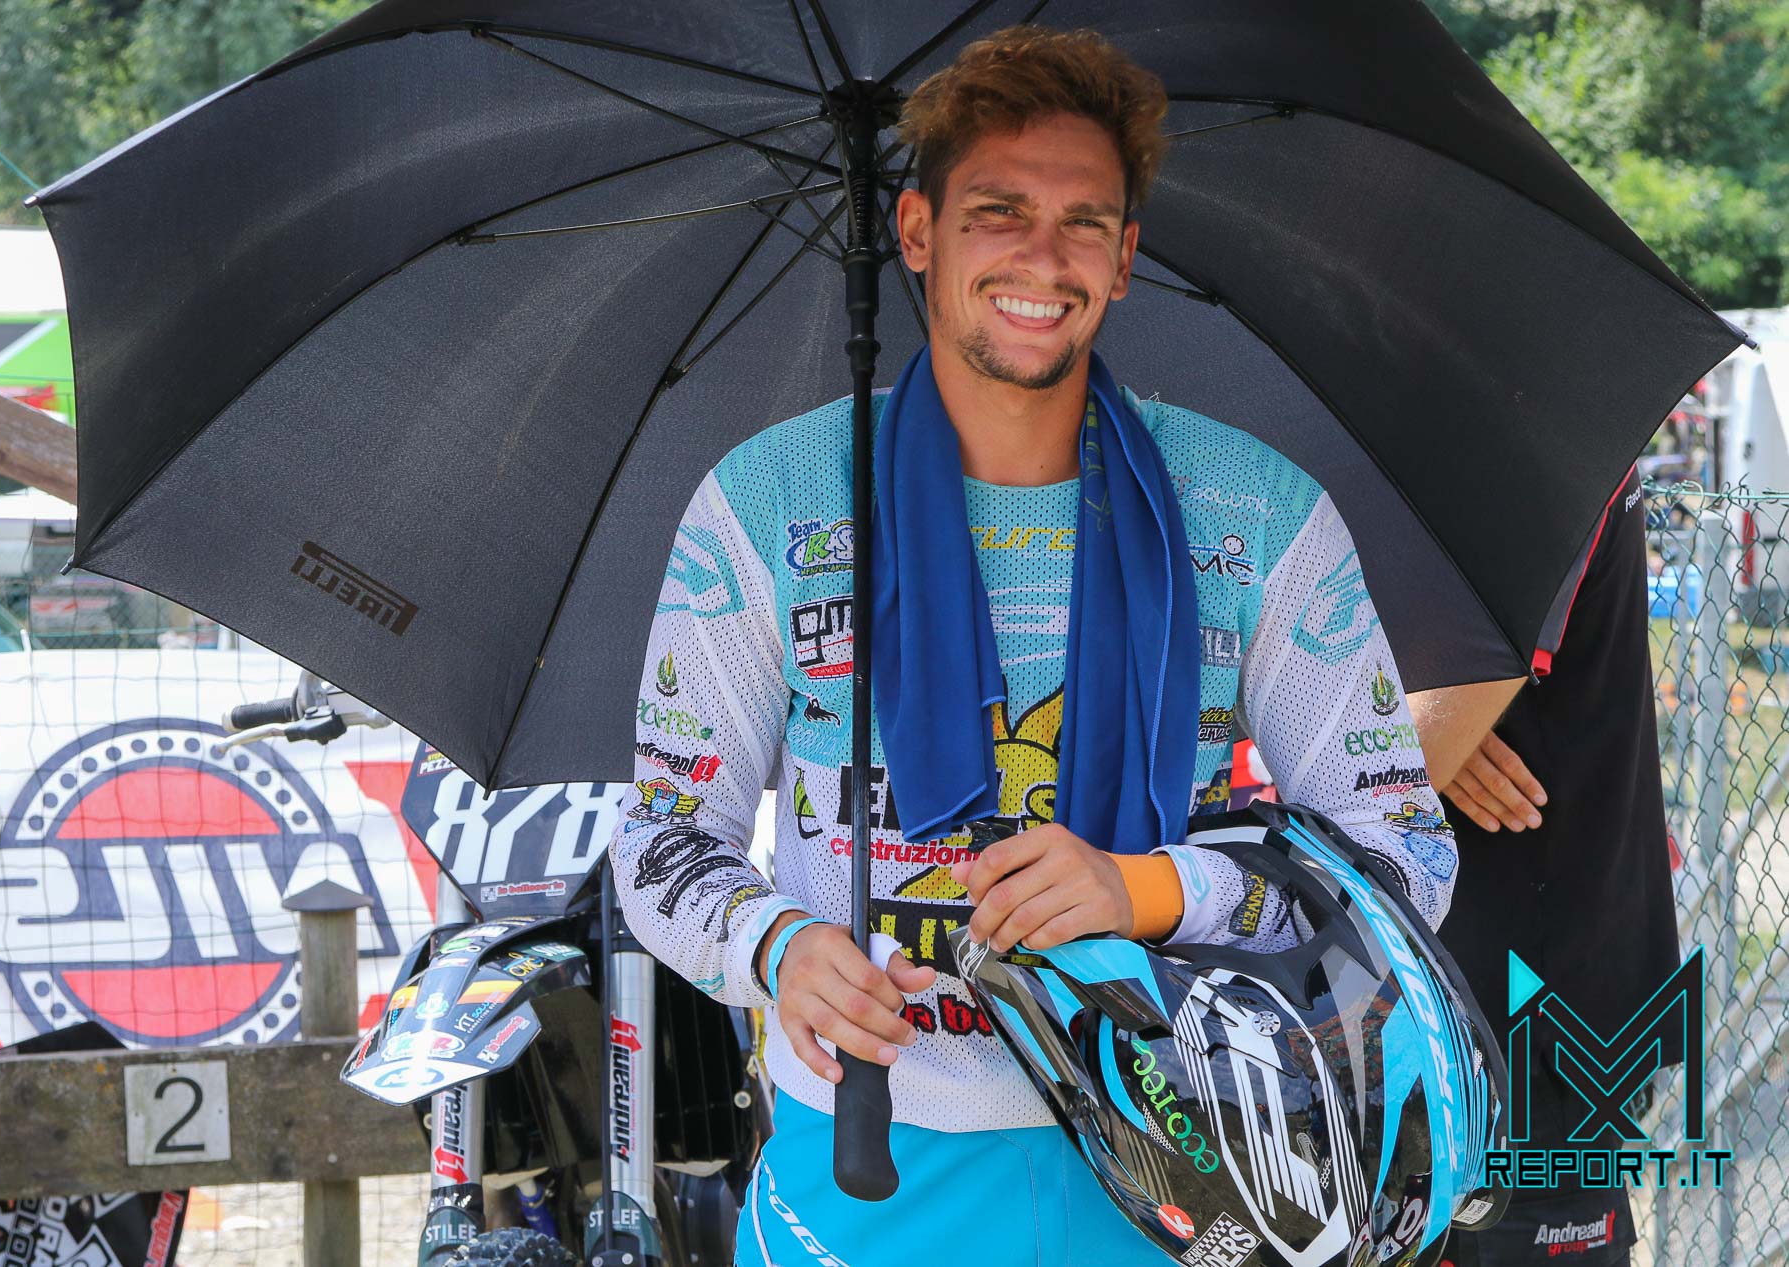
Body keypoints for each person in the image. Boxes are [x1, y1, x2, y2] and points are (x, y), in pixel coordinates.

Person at [610, 26, 1458, 1266]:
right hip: (867, 1168)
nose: (1042, 259)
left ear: (1123, 259)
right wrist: (774, 946)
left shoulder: (1259, 511)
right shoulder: (768, 499)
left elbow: (1403, 856)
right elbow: (659, 837)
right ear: (916, 234)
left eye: (1082, 224)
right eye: (998, 212)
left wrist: (1146, 889)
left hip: (1191, 1166)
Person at [1411, 469, 1680, 1267]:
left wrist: (1401, 724)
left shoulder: (1549, 443)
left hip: (1539, 1006)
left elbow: (1447, 707)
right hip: (1461, 995)